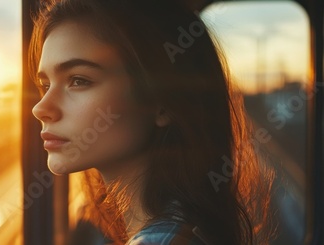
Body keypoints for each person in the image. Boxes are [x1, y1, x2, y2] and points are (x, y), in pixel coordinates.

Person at [30, 0, 275, 244]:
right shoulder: (186, 227)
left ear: (162, 102)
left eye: (79, 80)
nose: (41, 109)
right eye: (45, 85)